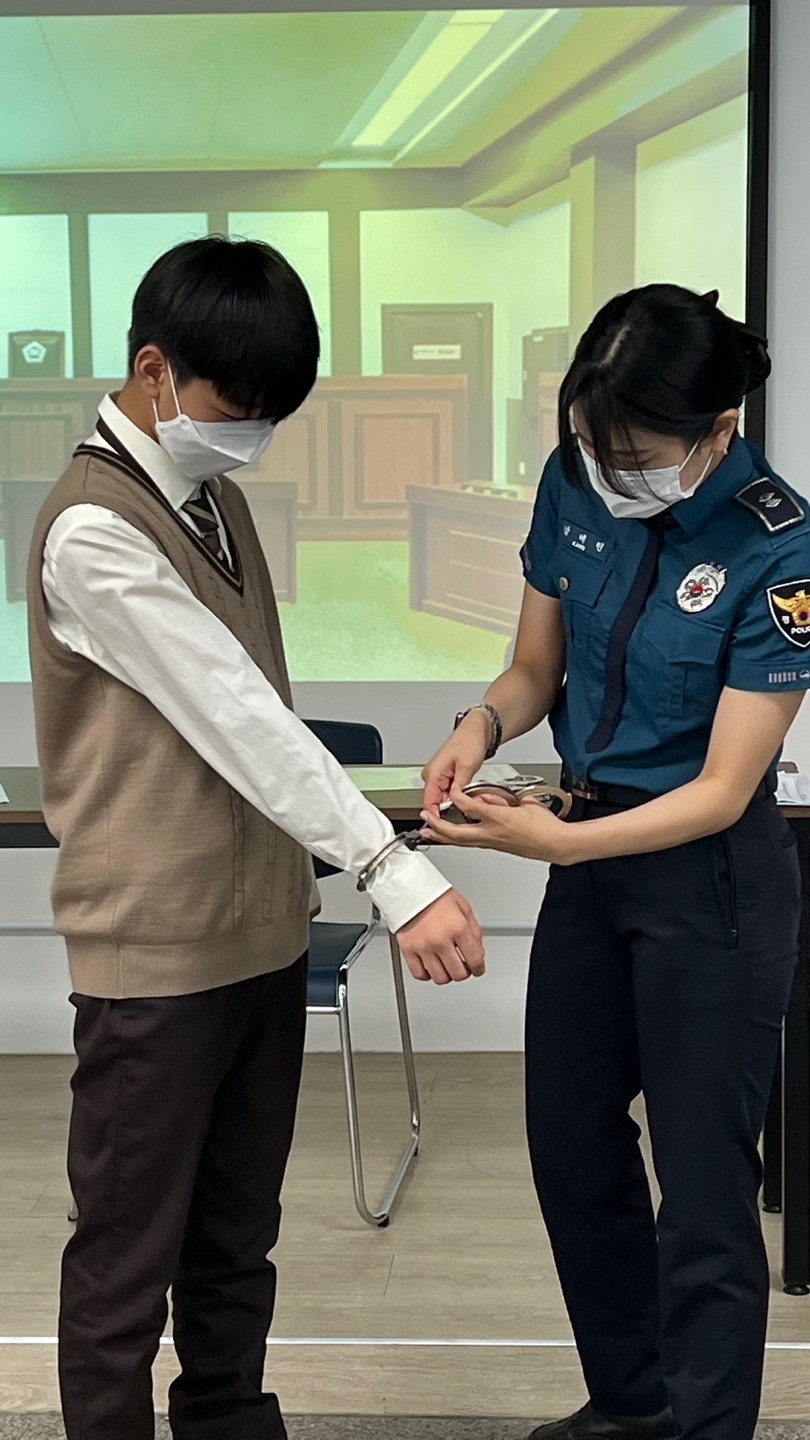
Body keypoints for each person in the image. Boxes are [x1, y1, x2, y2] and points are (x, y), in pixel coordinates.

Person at [27, 235, 484, 1440]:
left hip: (262, 938)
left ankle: (229, 1420)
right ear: (154, 371)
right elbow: (237, 716)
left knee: (237, 1243)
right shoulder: (92, 530)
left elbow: (259, 714)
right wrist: (392, 869)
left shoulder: (213, 498)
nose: (254, 436)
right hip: (155, 958)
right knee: (127, 1263)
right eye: (241, 408)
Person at [421, 283, 807, 1440]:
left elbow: (723, 789)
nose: (607, 471)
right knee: (571, 1142)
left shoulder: (781, 546)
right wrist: (479, 725)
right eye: (592, 446)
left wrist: (559, 841)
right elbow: (535, 669)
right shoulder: (571, 481)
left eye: (633, 455)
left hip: (710, 883)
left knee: (704, 1191)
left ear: (717, 431)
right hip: (588, 868)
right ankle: (632, 1403)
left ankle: (705, 1426)